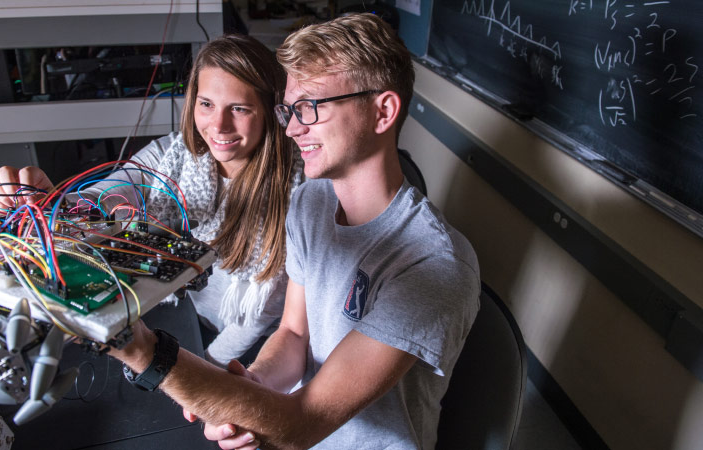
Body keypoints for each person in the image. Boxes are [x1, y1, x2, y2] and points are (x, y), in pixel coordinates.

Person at [104, 13, 481, 450]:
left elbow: (303, 422)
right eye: (290, 109)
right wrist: (255, 385)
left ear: (383, 111)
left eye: (311, 108)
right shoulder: (312, 202)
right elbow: (294, 335)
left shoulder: (431, 265)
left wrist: (140, 350)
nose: (291, 127)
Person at [0, 34, 305, 367]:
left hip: (263, 349)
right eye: (207, 104)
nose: (219, 125)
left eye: (239, 109)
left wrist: (203, 368)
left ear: (271, 111)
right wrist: (57, 206)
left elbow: (261, 314)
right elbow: (113, 191)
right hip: (189, 317)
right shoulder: (173, 154)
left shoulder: (299, 186)